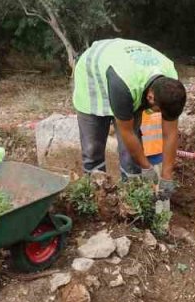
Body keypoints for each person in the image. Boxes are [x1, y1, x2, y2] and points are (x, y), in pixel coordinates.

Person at [72, 38, 186, 201]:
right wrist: (147, 168)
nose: (158, 115)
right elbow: (126, 133)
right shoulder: (125, 85)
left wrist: (167, 176)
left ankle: (131, 199)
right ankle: (95, 199)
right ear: (151, 97)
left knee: (131, 157)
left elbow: (170, 133)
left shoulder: (170, 84)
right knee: (92, 149)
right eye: (158, 111)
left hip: (123, 71)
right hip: (93, 75)